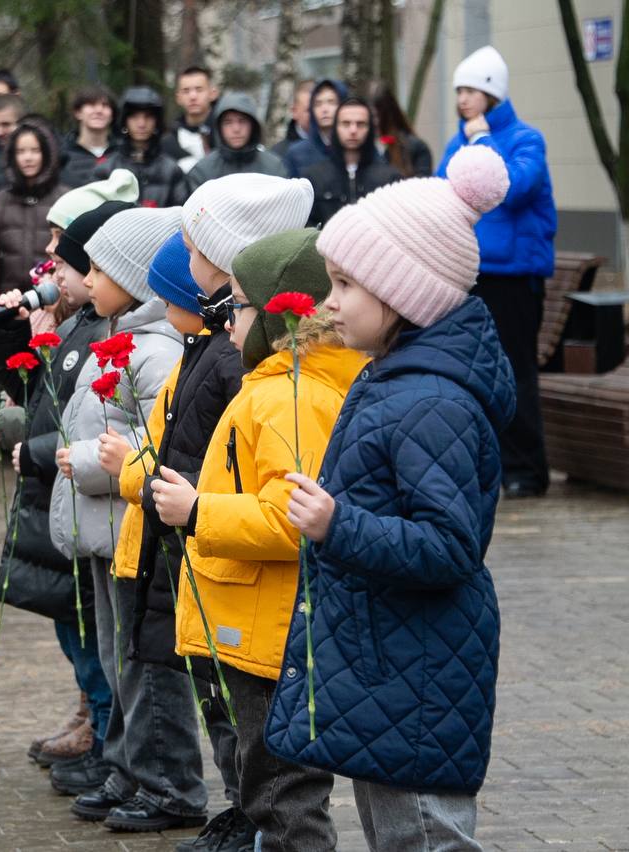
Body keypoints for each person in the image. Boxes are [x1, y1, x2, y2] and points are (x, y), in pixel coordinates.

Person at [267, 145, 516, 852]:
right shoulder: (393, 379)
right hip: (389, 663)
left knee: (423, 838)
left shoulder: (431, 400)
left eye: (346, 284)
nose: (330, 302)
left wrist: (337, 525)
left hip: (418, 670)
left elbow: (449, 545)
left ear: (403, 294)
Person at [101, 173, 316, 852]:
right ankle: (242, 815)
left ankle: (244, 816)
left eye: (191, 249)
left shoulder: (257, 376)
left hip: (230, 567)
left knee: (263, 748)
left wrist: (186, 504)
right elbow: (177, 440)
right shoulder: (219, 352)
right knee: (228, 713)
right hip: (199, 552)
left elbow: (265, 494)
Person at [150, 228, 370, 852]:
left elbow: (291, 518)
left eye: (239, 304)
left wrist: (198, 512)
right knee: (272, 786)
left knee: (279, 790)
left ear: (282, 314)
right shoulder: (277, 386)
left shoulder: (286, 398)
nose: (225, 318)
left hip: (267, 628)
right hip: (262, 620)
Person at [0, 192, 135, 777]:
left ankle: (107, 738)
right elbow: (37, 397)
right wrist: (12, 338)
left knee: (97, 630)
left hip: (79, 489)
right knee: (75, 626)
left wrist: (35, 444)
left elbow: (89, 421)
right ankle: (96, 724)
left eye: (62, 248)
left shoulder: (99, 331)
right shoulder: (71, 325)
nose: (47, 257)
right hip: (58, 494)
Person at [45, 207, 185, 813]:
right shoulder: (112, 338)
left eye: (100, 269)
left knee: (142, 662)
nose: (88, 280)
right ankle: (126, 768)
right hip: (106, 530)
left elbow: (154, 443)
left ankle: (165, 782)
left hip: (132, 525)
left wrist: (92, 463)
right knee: (114, 655)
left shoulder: (153, 353)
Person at [437, 45, 556, 498]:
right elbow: (441, 187)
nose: (463, 99)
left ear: (493, 94)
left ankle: (527, 469)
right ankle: (491, 465)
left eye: (472, 90)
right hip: (473, 272)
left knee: (515, 369)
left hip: (515, 276)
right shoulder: (458, 141)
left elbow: (512, 186)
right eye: (459, 90)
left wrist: (482, 142)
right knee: (476, 370)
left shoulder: (526, 139)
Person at [0, 121, 68, 306]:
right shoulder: (1, 199)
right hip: (10, 300)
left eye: (35, 150)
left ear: (47, 154)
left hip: (54, 300)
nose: (28, 158)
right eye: (21, 151)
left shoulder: (64, 198)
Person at [303, 98, 401, 228]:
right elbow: (306, 226)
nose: (353, 130)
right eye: (346, 123)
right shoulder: (314, 177)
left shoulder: (389, 177)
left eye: (360, 124)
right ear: (335, 128)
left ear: (370, 129)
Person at [92, 87, 187, 208]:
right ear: (124, 121)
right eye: (134, 117)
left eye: (148, 117)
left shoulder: (172, 170)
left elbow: (181, 214)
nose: (141, 123)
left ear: (157, 122)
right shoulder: (105, 169)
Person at [184, 91, 287, 192]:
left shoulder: (273, 168)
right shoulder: (203, 171)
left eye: (242, 121)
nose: (236, 129)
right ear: (218, 128)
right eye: (228, 122)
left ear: (253, 125)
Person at [281, 78, 347, 177]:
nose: (324, 109)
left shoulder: (355, 149)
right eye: (318, 104)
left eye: (331, 102)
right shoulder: (297, 154)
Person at [368, 81, 432, 177]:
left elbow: (422, 187)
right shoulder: (356, 150)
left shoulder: (416, 148)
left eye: (377, 116)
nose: (374, 122)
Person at [162, 66, 218, 172]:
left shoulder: (227, 134)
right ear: (178, 98)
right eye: (186, 91)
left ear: (212, 93)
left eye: (199, 90)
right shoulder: (169, 142)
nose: (193, 96)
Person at [59, 85, 116, 188]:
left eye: (105, 105)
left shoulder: (122, 152)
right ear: (78, 113)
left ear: (112, 115)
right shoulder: (62, 154)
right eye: (91, 104)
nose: (99, 110)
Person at [271, 80, 315, 160]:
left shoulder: (337, 149)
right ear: (294, 111)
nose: (315, 114)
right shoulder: (279, 154)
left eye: (317, 107)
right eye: (309, 110)